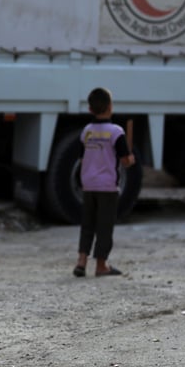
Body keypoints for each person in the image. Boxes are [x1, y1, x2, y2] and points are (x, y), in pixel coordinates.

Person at [73, 87, 135, 278]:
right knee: (104, 226)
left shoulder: (87, 132)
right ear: (110, 106)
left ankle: (81, 261)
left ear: (90, 109)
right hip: (107, 186)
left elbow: (83, 159)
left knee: (87, 224)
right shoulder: (116, 132)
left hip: (89, 185)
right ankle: (101, 265)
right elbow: (125, 160)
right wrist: (131, 159)